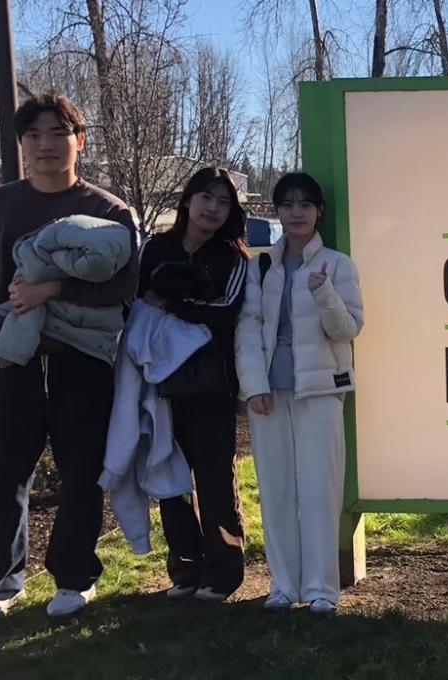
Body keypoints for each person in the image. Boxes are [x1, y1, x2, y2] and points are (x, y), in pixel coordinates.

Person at [0, 93, 139, 623]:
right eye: (33, 136)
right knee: (5, 473)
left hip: (81, 360)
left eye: (57, 134)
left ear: (79, 142)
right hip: (6, 361)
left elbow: (124, 290)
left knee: (81, 470)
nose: (45, 146)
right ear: (21, 146)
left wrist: (53, 289)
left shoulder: (109, 212)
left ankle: (75, 576)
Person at [236, 172, 364, 614]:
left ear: (318, 212)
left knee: (319, 491)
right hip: (270, 394)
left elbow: (348, 329)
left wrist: (324, 292)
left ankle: (322, 590)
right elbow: (248, 330)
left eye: (305, 204)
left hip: (321, 392)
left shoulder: (338, 264)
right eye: (287, 204)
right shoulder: (262, 265)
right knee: (276, 492)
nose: (296, 212)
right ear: (277, 211)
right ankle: (283, 586)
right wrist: (253, 386)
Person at [137, 167, 251, 602]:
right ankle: (185, 568)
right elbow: (137, 303)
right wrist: (172, 303)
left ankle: (223, 573)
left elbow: (223, 310)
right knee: (169, 475)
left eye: (224, 202)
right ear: (188, 200)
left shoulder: (234, 258)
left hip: (210, 384)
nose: (214, 209)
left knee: (215, 478)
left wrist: (169, 301)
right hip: (158, 382)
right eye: (207, 197)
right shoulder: (155, 248)